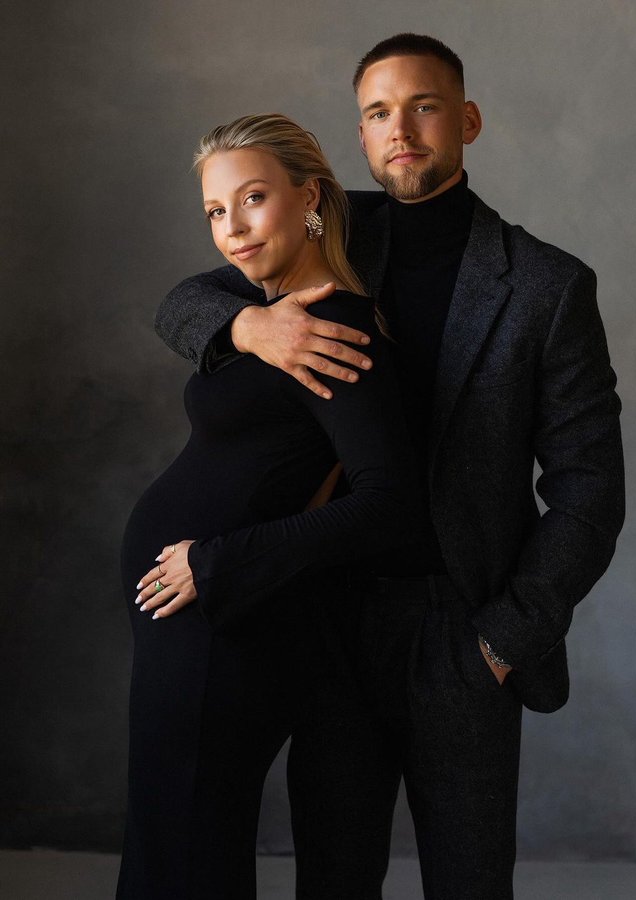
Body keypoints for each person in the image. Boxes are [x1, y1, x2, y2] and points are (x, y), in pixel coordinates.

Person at [155, 34, 625, 900]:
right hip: (325, 613)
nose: (399, 130)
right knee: (331, 880)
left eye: (423, 107)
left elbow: (589, 491)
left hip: (461, 626)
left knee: (468, 883)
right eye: (377, 113)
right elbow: (181, 302)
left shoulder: (547, 286)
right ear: (361, 136)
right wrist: (247, 326)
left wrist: (501, 642)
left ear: (467, 121)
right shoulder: (322, 228)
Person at [117, 112, 424, 899]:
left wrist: (218, 563)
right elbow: (177, 304)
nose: (232, 228)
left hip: (224, 618)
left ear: (309, 197)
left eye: (252, 199)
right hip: (187, 623)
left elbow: (390, 504)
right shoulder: (254, 306)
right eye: (215, 211)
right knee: (168, 844)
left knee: (186, 853)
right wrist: (249, 326)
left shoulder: (336, 330)